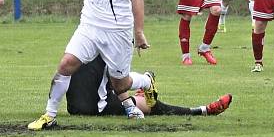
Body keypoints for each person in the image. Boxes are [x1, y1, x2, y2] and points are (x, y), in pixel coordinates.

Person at [28, 0, 153, 131]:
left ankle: (147, 81)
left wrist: (139, 32)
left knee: (119, 84)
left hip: (116, 31)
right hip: (89, 26)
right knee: (66, 64)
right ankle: (49, 115)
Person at [66, 56, 233, 116]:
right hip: (96, 106)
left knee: (141, 101)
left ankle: (142, 91)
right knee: (152, 106)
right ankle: (203, 110)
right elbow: (118, 84)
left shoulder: (83, 38)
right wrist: (130, 106)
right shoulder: (113, 39)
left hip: (73, 107)